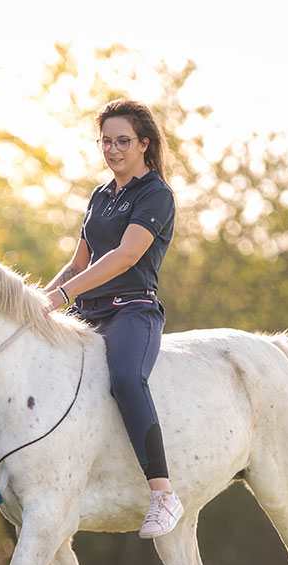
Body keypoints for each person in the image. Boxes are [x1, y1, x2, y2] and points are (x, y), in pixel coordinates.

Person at [41, 99, 184, 538]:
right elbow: (78, 261)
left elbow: (125, 257)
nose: (113, 149)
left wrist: (65, 293)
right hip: (86, 312)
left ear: (144, 144)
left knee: (124, 379)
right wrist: (37, 300)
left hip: (132, 313)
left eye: (123, 141)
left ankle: (162, 492)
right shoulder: (101, 196)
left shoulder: (156, 194)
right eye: (106, 140)